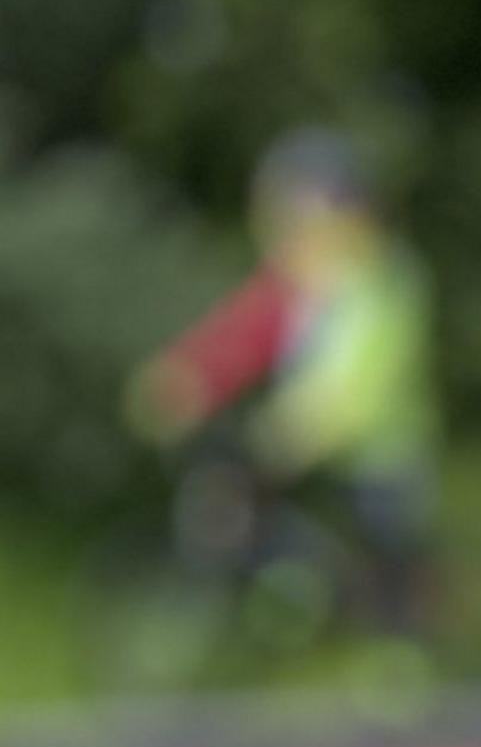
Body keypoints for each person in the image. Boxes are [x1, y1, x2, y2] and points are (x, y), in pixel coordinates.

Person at [125, 128, 443, 635]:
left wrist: (299, 429)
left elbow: (366, 377)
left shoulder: (382, 281)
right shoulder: (299, 278)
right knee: (244, 512)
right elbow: (243, 335)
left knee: (391, 583)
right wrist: (184, 378)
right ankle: (306, 613)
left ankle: (413, 661)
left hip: (376, 448)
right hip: (312, 442)